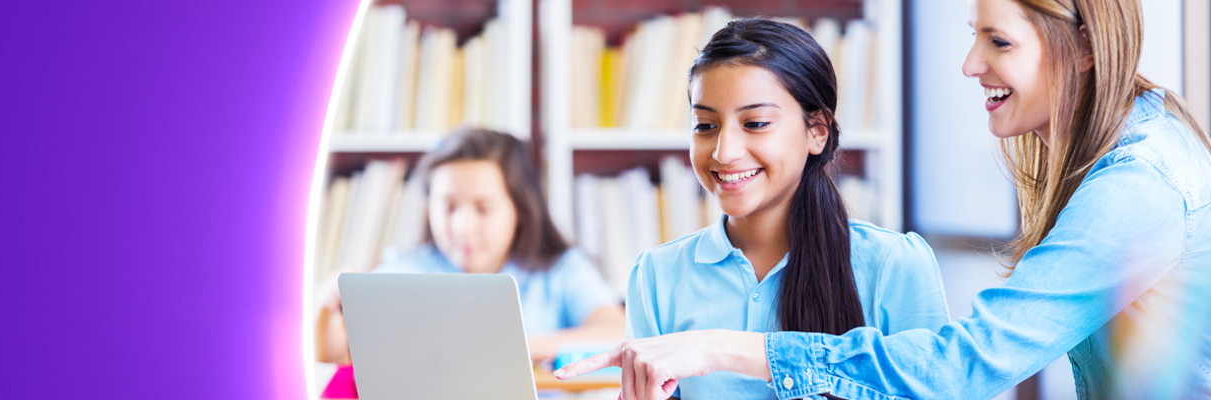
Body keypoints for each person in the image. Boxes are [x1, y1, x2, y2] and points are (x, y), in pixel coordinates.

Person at [555, 0, 1211, 399]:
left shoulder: (1139, 185)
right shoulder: (658, 274)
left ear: (1087, 46)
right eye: (975, 33)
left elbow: (965, 369)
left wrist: (722, 348)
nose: (969, 63)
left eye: (1000, 41)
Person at [620, 19, 950, 400]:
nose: (724, 152)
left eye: (756, 123)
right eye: (705, 125)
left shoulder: (893, 265)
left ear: (817, 131)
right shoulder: (657, 275)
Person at [317, 128, 625, 368]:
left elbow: (615, 333)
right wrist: (330, 306)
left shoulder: (560, 270)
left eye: (482, 207)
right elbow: (338, 354)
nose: (462, 226)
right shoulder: (407, 270)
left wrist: (509, 348)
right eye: (448, 206)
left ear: (520, 208)